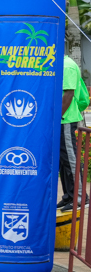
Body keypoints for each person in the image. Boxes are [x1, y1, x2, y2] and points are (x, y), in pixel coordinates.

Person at [59, 54, 87, 211]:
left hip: (65, 119)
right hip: (63, 119)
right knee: (64, 162)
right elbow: (83, 97)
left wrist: (58, 118)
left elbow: (69, 94)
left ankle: (81, 197)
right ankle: (69, 195)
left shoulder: (66, 66)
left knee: (70, 159)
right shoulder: (62, 64)